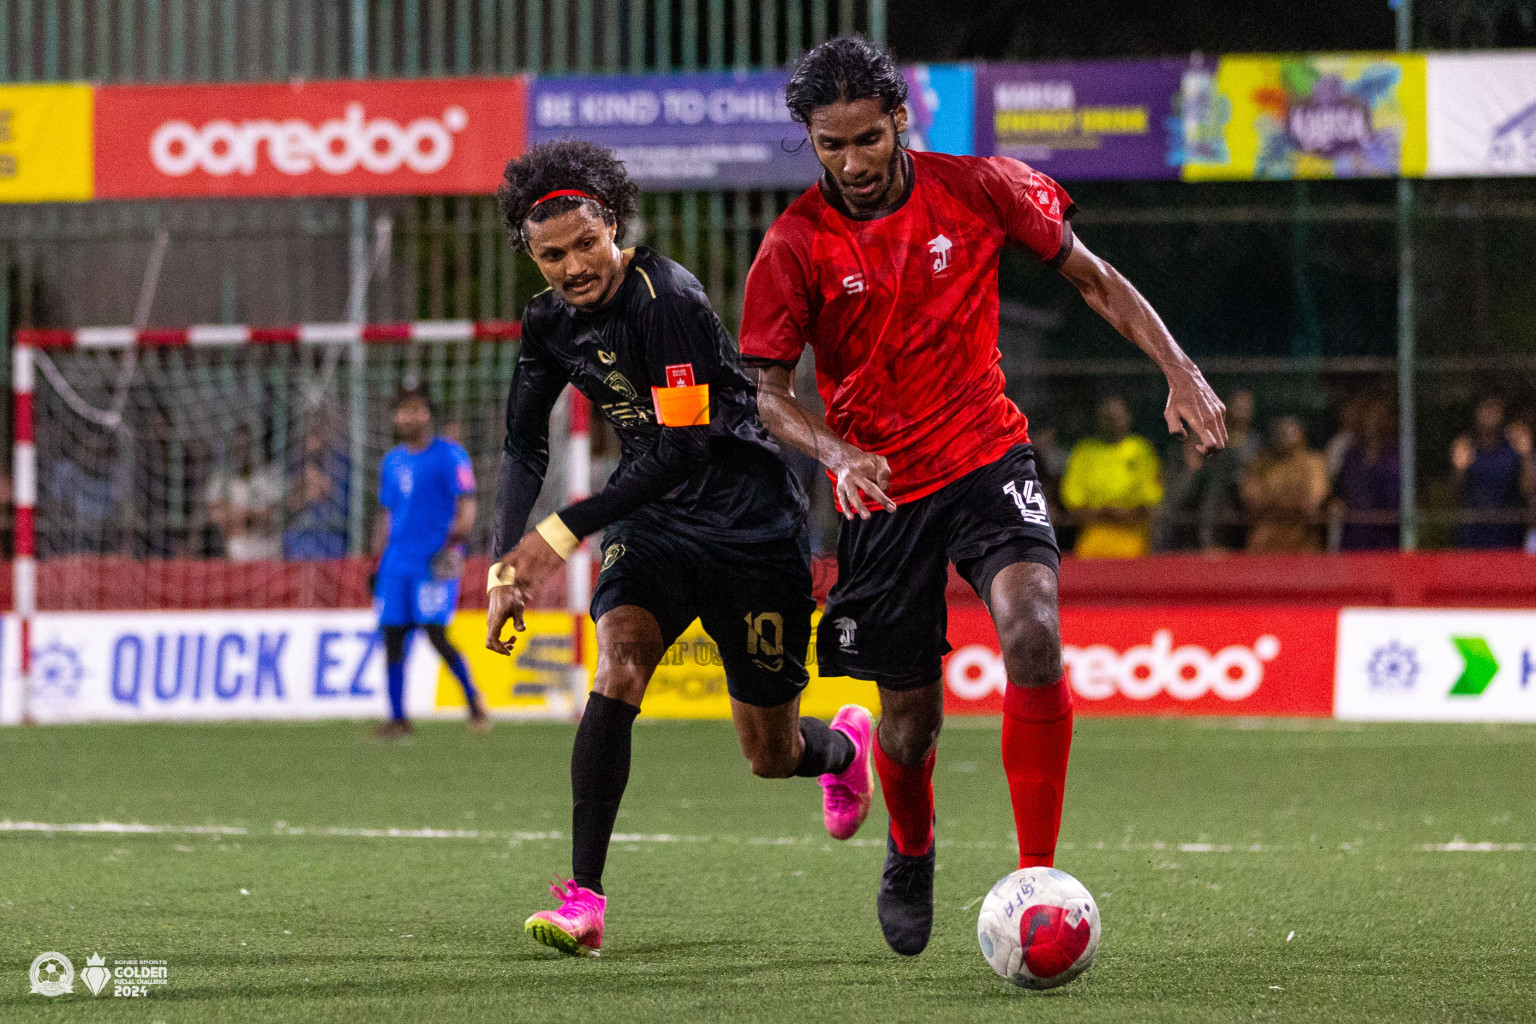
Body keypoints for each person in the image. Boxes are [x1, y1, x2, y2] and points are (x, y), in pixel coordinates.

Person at [740, 37, 1226, 957]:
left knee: (1034, 632)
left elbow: (1095, 280)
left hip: (987, 455)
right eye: (831, 145)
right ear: (811, 140)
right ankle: (911, 845)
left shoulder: (981, 187)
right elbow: (767, 394)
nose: (852, 162)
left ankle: (1036, 875)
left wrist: (1179, 370)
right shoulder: (794, 244)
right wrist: (835, 450)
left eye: (868, 139)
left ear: (899, 122)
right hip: (880, 491)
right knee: (911, 722)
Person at [486, 140, 875, 958]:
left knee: (770, 755)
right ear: (533, 257)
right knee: (619, 659)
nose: (572, 266)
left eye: (585, 244)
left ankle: (840, 747)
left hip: (749, 524)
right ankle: (583, 899)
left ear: (613, 228)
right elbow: (524, 447)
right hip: (653, 523)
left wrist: (556, 536)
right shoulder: (547, 323)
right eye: (551, 255)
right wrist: (503, 564)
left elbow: (685, 449)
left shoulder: (669, 300)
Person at [372, 389, 489, 738]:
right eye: (402, 411)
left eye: (415, 410)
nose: (408, 417)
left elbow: (466, 504)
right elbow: (387, 513)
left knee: (435, 633)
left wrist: (454, 545)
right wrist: (376, 560)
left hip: (434, 560)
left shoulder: (449, 455)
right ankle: (398, 718)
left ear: (428, 415)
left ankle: (473, 700)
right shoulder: (392, 461)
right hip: (396, 562)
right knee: (392, 635)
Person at [1059, 396, 1163, 558]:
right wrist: (1102, 512)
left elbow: (1151, 501)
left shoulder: (1141, 450)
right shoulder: (1084, 451)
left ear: (1129, 417)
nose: (1113, 421)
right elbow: (1072, 501)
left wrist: (1124, 513)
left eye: (1117, 416)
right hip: (1092, 541)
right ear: (1098, 420)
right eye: (1107, 417)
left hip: (1133, 542)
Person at [1240, 417, 1330, 554]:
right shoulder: (1260, 464)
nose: (1283, 436)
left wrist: (1274, 504)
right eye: (1280, 432)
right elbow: (1253, 503)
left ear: (1302, 434)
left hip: (1303, 540)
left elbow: (1313, 504)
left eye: (1290, 431)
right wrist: (1293, 504)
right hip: (1266, 540)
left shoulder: (1314, 463)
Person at [1451, 397, 1529, 550]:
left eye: (1493, 407)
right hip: (1473, 536)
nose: (1488, 413)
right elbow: (1453, 496)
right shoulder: (1466, 446)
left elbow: (1528, 491)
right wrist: (1458, 469)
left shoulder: (1514, 446)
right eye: (1484, 407)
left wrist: (1526, 456)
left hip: (1509, 535)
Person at [1330, 398, 1400, 551]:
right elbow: (1341, 491)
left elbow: (1397, 500)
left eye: (1378, 417)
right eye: (1369, 417)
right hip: (1355, 535)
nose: (1372, 423)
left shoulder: (1395, 456)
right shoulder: (1352, 455)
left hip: (1386, 537)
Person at [205, 424, 282, 562]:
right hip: (235, 547)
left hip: (264, 545)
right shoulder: (221, 481)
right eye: (238, 447)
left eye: (246, 446)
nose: (242, 451)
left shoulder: (265, 477)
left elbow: (271, 515)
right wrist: (240, 517)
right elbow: (215, 516)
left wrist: (246, 515)